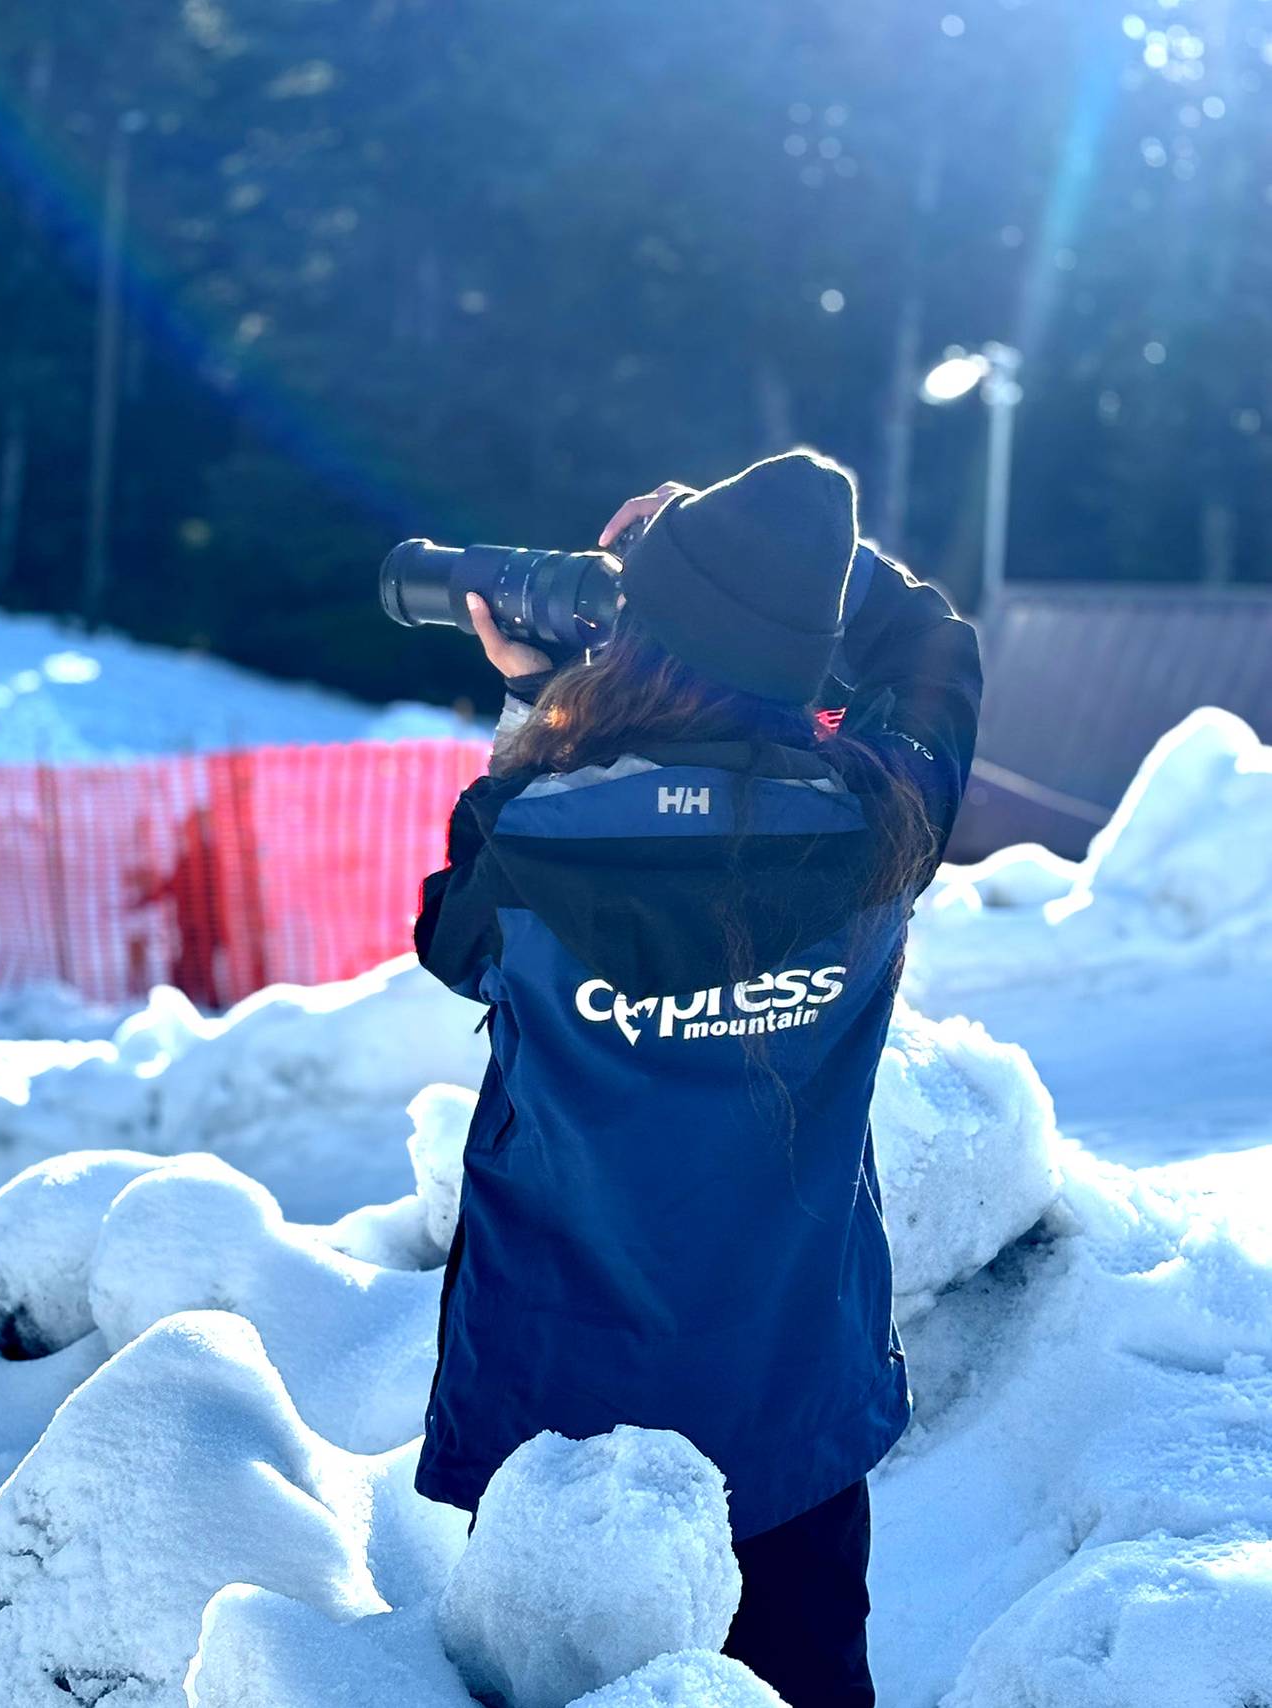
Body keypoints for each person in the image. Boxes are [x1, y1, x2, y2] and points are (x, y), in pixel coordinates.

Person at [411, 450, 982, 1705]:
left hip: (559, 1400)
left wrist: (541, 697)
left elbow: (454, 944)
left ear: (635, 642)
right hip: (787, 1389)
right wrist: (804, 565)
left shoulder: (526, 830)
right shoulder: (883, 822)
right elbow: (935, 650)